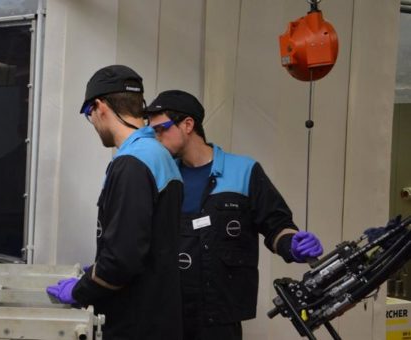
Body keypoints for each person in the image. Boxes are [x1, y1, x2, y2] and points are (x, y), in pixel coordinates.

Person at [144, 89, 324, 340]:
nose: (157, 136)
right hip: (170, 310)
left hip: (220, 317)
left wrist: (292, 243)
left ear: (187, 124)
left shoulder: (244, 171)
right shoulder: (162, 175)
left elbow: (276, 224)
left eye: (162, 128)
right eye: (153, 130)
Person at [46, 65, 184, 339]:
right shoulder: (158, 155)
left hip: (136, 322)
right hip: (158, 314)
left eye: (89, 114)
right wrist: (97, 271)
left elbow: (123, 260)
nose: (93, 122)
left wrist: (81, 289)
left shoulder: (132, 163)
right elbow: (148, 244)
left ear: (100, 107)